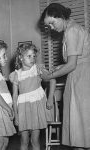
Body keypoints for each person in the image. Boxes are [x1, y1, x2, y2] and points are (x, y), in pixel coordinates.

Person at [40, 3, 90, 150]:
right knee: (81, 125)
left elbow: (72, 64)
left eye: (52, 23)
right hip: (79, 76)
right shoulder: (73, 28)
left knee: (80, 124)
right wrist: (58, 68)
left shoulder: (72, 31)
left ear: (61, 17)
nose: (51, 27)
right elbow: (78, 60)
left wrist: (49, 77)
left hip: (82, 79)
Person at [9, 43, 56, 150]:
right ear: (20, 58)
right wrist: (16, 115)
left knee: (35, 140)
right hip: (23, 110)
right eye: (29, 56)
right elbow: (15, 96)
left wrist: (49, 99)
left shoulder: (37, 70)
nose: (32, 59)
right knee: (24, 140)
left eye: (34, 56)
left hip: (37, 109)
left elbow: (52, 80)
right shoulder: (16, 75)